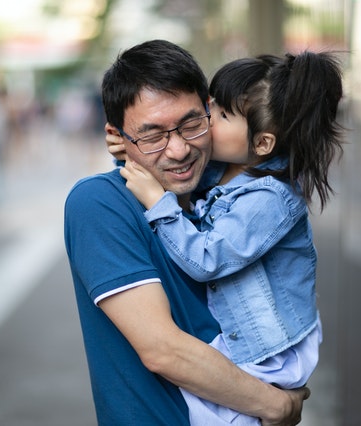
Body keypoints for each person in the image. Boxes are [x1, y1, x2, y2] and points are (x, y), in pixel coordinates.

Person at [63, 39, 309, 426]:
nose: (178, 150)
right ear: (118, 136)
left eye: (191, 124)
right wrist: (276, 406)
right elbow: (163, 350)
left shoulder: (227, 196)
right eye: (152, 134)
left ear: (210, 112)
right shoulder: (98, 203)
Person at [115, 51, 344, 425]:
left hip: (268, 354)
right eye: (214, 105)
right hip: (247, 343)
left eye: (222, 115)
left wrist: (157, 202)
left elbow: (207, 259)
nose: (208, 118)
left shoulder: (269, 199)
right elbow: (171, 178)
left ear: (264, 143)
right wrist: (131, 152)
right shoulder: (223, 171)